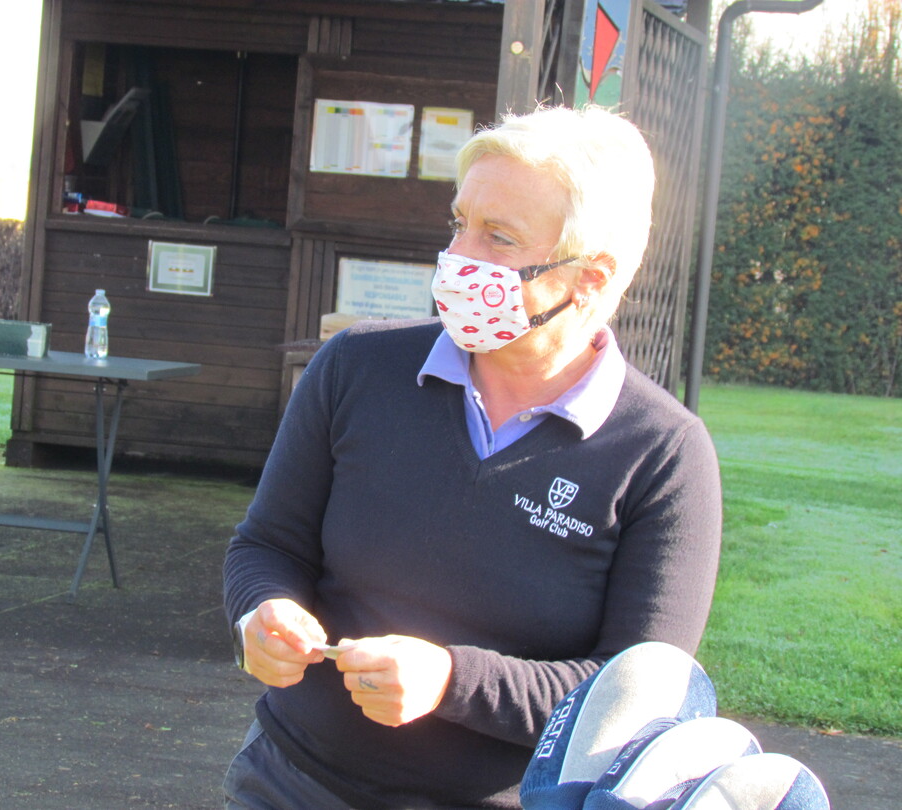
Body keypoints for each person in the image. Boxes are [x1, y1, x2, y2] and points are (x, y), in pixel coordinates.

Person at [222, 104, 723, 809]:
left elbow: (635, 702)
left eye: (499, 237)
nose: (460, 257)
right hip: (289, 782)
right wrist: (261, 611)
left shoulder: (663, 454)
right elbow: (267, 545)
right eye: (460, 222)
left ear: (590, 278)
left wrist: (453, 683)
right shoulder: (355, 367)